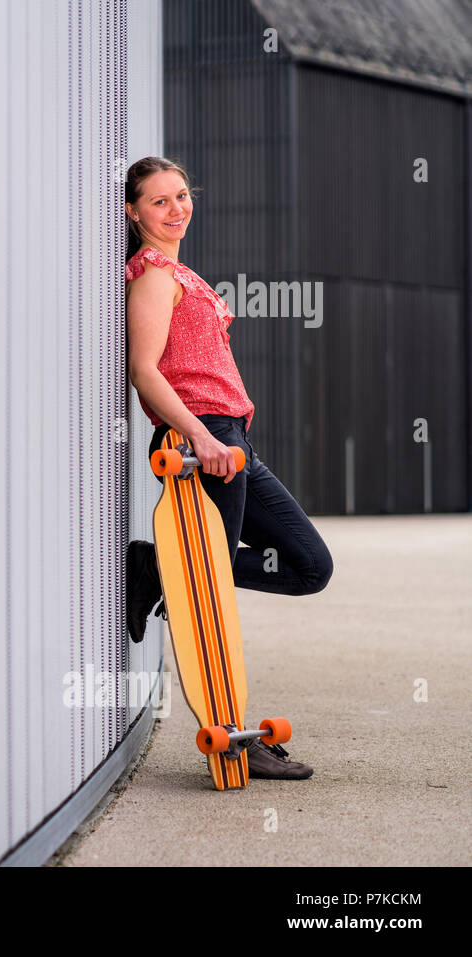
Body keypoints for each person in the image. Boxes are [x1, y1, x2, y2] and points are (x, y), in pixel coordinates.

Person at [122, 156, 333, 780]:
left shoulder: (181, 269)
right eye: (160, 202)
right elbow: (146, 371)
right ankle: (237, 740)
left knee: (309, 565)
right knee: (209, 598)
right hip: (200, 443)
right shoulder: (154, 275)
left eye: (182, 196)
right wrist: (196, 437)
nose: (176, 209)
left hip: (233, 442)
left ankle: (158, 564)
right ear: (134, 213)